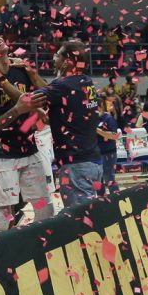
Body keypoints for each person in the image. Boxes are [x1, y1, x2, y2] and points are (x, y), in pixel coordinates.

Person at [0, 30, 53, 232]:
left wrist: (32, 72)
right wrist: (17, 111)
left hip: (29, 150)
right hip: (0, 155)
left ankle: (39, 245)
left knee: (45, 209)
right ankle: (0, 251)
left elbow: (48, 97)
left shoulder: (21, 70)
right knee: (4, 216)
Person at [29, 40, 103, 210]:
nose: (53, 58)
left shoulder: (62, 85)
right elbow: (57, 95)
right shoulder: (86, 81)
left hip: (77, 166)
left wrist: (2, 80)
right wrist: (32, 73)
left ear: (67, 62)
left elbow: (29, 100)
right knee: (91, 213)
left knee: (80, 218)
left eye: (57, 55)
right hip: (93, 162)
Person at [95, 96, 121, 195]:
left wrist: (97, 130)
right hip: (96, 154)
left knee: (109, 177)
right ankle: (100, 200)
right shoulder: (93, 119)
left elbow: (114, 136)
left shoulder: (108, 119)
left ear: (101, 106)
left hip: (108, 153)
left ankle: (116, 199)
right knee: (98, 180)